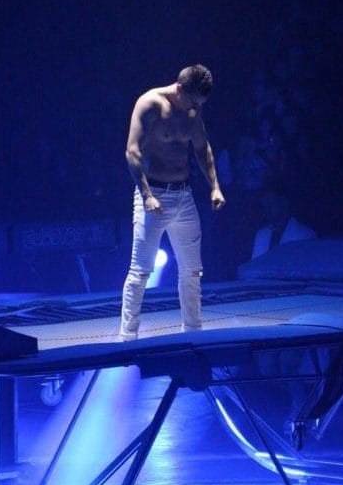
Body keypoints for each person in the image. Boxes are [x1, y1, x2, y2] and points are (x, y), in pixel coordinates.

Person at [120, 64, 225, 341]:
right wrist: (147, 195)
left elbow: (202, 147)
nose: (194, 107)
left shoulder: (194, 109)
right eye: (192, 101)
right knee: (140, 271)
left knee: (192, 271)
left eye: (199, 104)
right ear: (180, 89)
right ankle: (128, 338)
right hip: (154, 194)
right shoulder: (150, 104)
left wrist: (215, 186)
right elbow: (132, 151)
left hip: (184, 195)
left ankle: (193, 332)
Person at [251, 187, 316, 259]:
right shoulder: (261, 235)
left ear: (283, 202)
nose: (267, 210)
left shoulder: (305, 235)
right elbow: (255, 264)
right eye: (265, 206)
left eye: (270, 204)